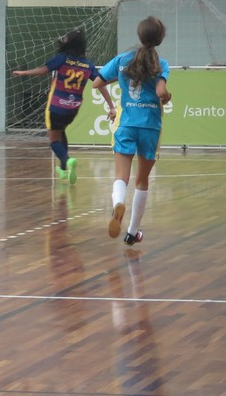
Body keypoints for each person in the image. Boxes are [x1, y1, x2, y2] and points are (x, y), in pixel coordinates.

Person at [93, 15, 171, 246]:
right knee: (142, 180)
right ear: (160, 38)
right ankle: (132, 232)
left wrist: (115, 98)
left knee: (121, 176)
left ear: (139, 34)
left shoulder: (122, 60)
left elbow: (97, 83)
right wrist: (167, 96)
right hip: (149, 127)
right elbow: (160, 93)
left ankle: (118, 202)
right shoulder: (160, 64)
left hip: (126, 124)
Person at [12, 29, 99, 184]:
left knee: (53, 141)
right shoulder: (88, 65)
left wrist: (24, 73)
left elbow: (43, 71)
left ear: (69, 43)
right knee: (61, 131)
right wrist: (111, 104)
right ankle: (64, 169)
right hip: (73, 108)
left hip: (57, 106)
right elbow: (101, 82)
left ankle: (67, 159)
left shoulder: (62, 59)